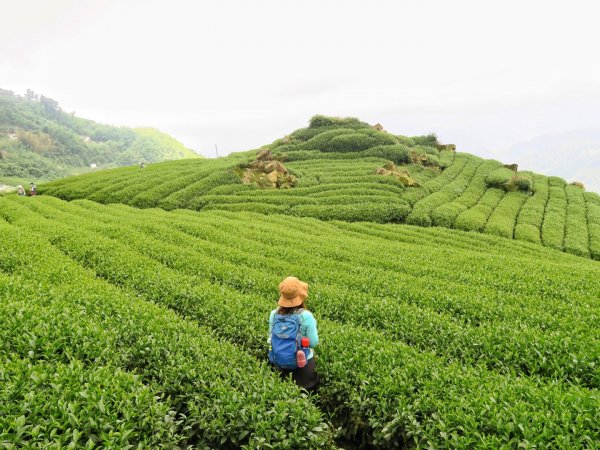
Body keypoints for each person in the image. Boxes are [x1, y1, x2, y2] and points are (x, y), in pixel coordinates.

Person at [268, 276, 320, 392]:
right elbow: (313, 342)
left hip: (279, 361)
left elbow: (270, 337)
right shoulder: (306, 316)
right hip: (303, 367)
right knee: (306, 395)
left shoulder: (274, 314)